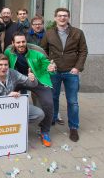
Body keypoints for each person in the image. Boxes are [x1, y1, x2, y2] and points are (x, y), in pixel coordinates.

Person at [41, 8, 88, 142]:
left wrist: (77, 67)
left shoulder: (78, 33)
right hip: (54, 71)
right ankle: (53, 118)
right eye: (60, 16)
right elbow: (43, 50)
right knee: (53, 97)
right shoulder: (49, 33)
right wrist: (47, 64)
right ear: (55, 18)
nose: (62, 18)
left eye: (65, 16)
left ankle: (73, 127)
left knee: (72, 101)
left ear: (68, 17)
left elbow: (83, 51)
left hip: (71, 72)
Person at [4, 32, 56, 147]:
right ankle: (10, 126)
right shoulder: (8, 52)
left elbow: (46, 65)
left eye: (23, 42)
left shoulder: (36, 53)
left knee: (48, 103)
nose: (21, 44)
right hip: (17, 80)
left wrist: (51, 68)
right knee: (6, 97)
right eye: (18, 42)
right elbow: (3, 64)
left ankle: (45, 131)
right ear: (13, 43)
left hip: (37, 79)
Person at [0, 54, 44, 129]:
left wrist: (32, 79)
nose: (3, 67)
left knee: (39, 114)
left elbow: (32, 84)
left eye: (6, 65)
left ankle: (17, 125)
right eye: (0, 65)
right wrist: (7, 97)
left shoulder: (12, 73)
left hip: (13, 107)